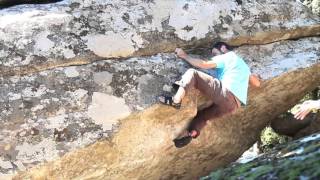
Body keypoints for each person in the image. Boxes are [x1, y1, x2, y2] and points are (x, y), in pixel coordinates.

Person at [158, 42, 260, 148]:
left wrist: (184, 55)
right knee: (202, 116)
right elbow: (257, 83)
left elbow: (204, 64)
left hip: (226, 94)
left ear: (223, 48)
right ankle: (192, 133)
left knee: (193, 74)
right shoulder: (242, 64)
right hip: (233, 106)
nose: (214, 57)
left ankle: (176, 100)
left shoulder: (229, 56)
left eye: (215, 54)